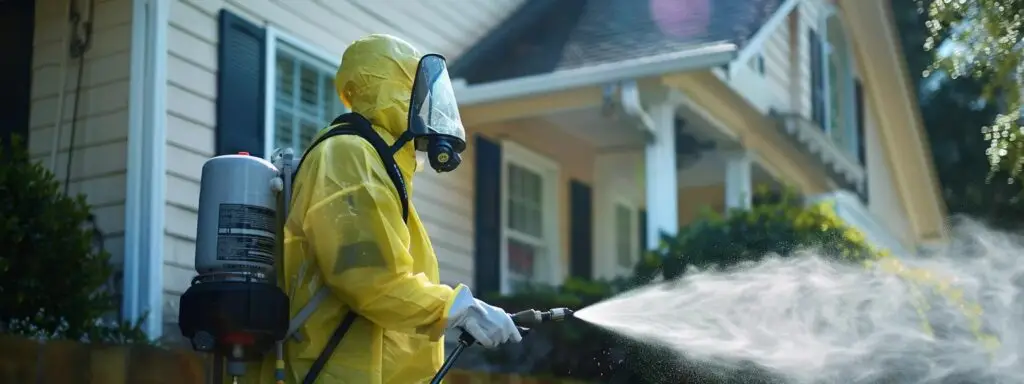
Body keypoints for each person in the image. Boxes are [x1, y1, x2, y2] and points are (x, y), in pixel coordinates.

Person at [243, 34, 522, 383]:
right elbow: (368, 278)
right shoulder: (349, 155)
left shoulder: (379, 164)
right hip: (333, 372)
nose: (428, 104)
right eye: (416, 89)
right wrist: (455, 309)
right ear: (393, 90)